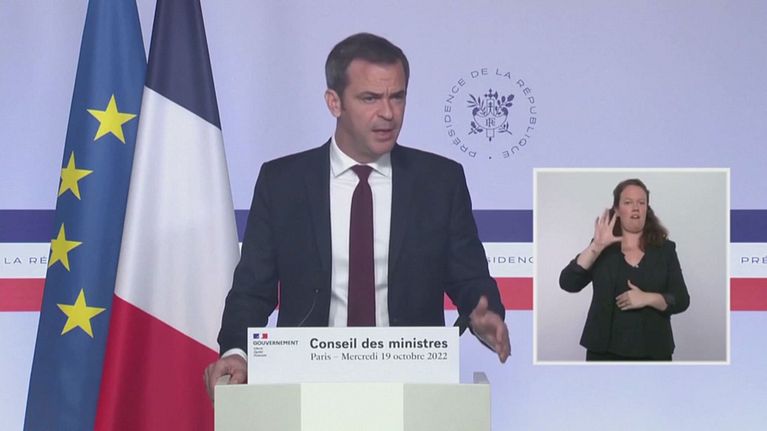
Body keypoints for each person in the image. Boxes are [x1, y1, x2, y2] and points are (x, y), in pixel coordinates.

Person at [204, 33, 510, 397]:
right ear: (334, 102)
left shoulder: (440, 181)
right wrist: (237, 352)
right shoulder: (283, 182)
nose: (388, 113)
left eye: (397, 97)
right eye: (370, 98)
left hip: (413, 385)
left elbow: (470, 277)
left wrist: (485, 316)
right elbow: (252, 290)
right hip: (306, 384)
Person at [559, 178, 690, 361]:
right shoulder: (600, 248)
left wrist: (647, 298)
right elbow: (568, 283)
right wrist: (596, 246)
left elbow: (681, 299)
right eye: (628, 202)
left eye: (641, 202)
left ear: (646, 209)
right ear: (618, 210)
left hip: (654, 352)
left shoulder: (665, 250)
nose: (635, 207)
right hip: (603, 353)